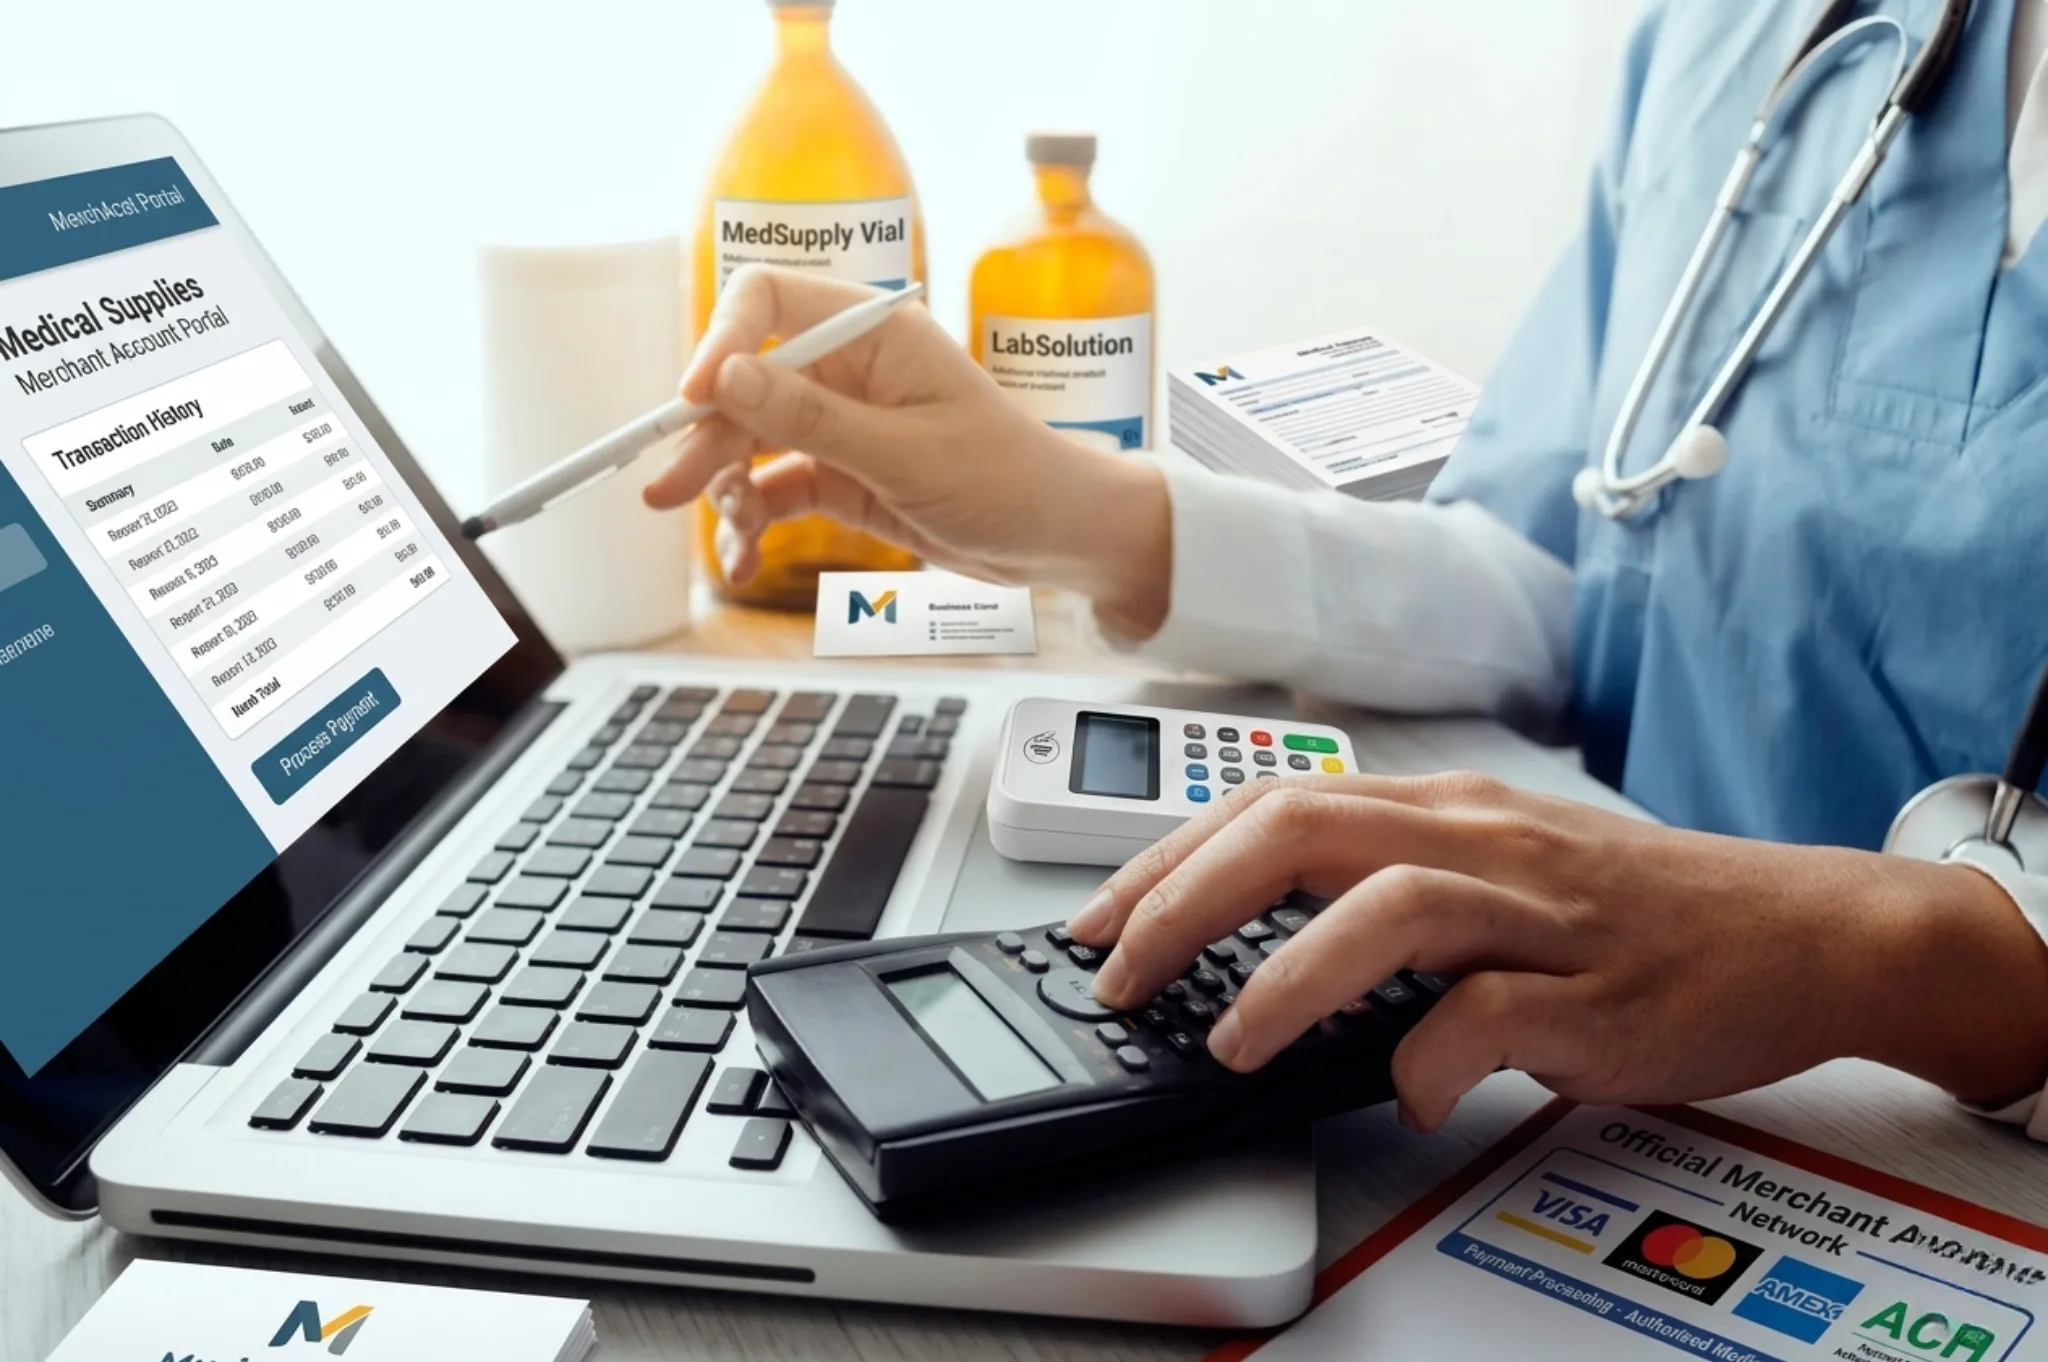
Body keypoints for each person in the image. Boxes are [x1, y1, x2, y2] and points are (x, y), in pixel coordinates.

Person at [645, 0, 2048, 1138]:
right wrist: (1086, 513)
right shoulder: (1733, 33)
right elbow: (1580, 580)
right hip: (1598, 1098)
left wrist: (1873, 947)